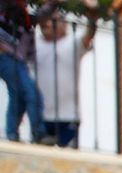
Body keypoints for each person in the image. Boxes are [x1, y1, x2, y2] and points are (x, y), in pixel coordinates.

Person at [33, 0, 96, 148]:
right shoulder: (34, 45)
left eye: (55, 20)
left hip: (68, 116)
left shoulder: (73, 43)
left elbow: (90, 33)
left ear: (64, 24)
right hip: (41, 116)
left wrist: (92, 12)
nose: (49, 24)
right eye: (48, 20)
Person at [0, 0, 44, 142]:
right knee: (30, 93)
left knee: (18, 96)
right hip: (6, 57)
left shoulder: (25, 19)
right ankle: (38, 133)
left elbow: (30, 53)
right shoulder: (9, 9)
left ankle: (12, 134)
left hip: (17, 61)